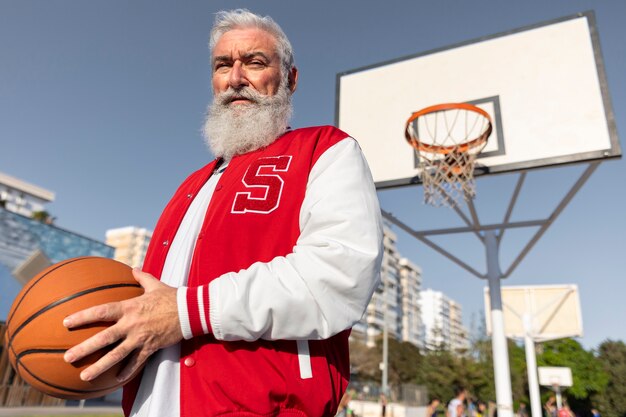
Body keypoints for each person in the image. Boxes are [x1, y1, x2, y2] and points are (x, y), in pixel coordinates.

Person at [62, 8, 383, 417]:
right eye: (222, 66)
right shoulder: (188, 188)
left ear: (290, 78)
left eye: (254, 62)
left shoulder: (324, 149)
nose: (235, 79)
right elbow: (152, 309)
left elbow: (339, 274)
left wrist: (185, 312)